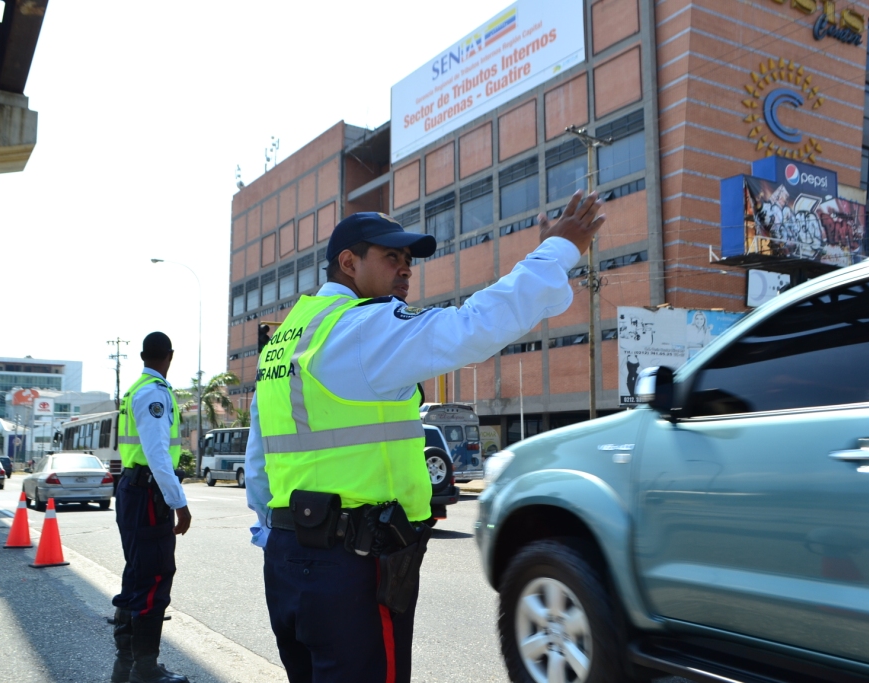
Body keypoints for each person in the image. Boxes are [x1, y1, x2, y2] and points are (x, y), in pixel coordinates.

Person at [246, 190, 605, 683]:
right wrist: (556, 253)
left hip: (289, 560)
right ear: (348, 263)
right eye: (391, 256)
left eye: (408, 260)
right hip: (353, 567)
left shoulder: (288, 337)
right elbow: (472, 327)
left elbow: (259, 462)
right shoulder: (360, 327)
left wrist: (276, 539)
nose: (406, 269)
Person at [110, 332, 193, 683]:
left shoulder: (135, 390)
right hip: (149, 493)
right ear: (169, 356)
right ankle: (145, 668)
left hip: (134, 489)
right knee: (155, 574)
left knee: (137, 571)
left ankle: (127, 660)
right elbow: (159, 455)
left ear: (143, 356)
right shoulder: (154, 394)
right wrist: (180, 504)